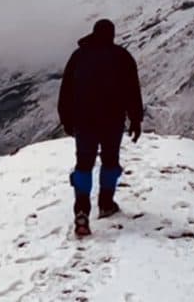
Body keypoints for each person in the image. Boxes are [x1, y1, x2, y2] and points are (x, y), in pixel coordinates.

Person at [58, 18, 144, 236]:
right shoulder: (122, 57)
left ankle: (81, 210)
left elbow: (66, 90)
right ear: (112, 35)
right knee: (110, 161)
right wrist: (136, 120)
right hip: (112, 121)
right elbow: (133, 91)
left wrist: (66, 119)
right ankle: (106, 203)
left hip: (84, 121)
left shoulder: (79, 56)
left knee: (84, 165)